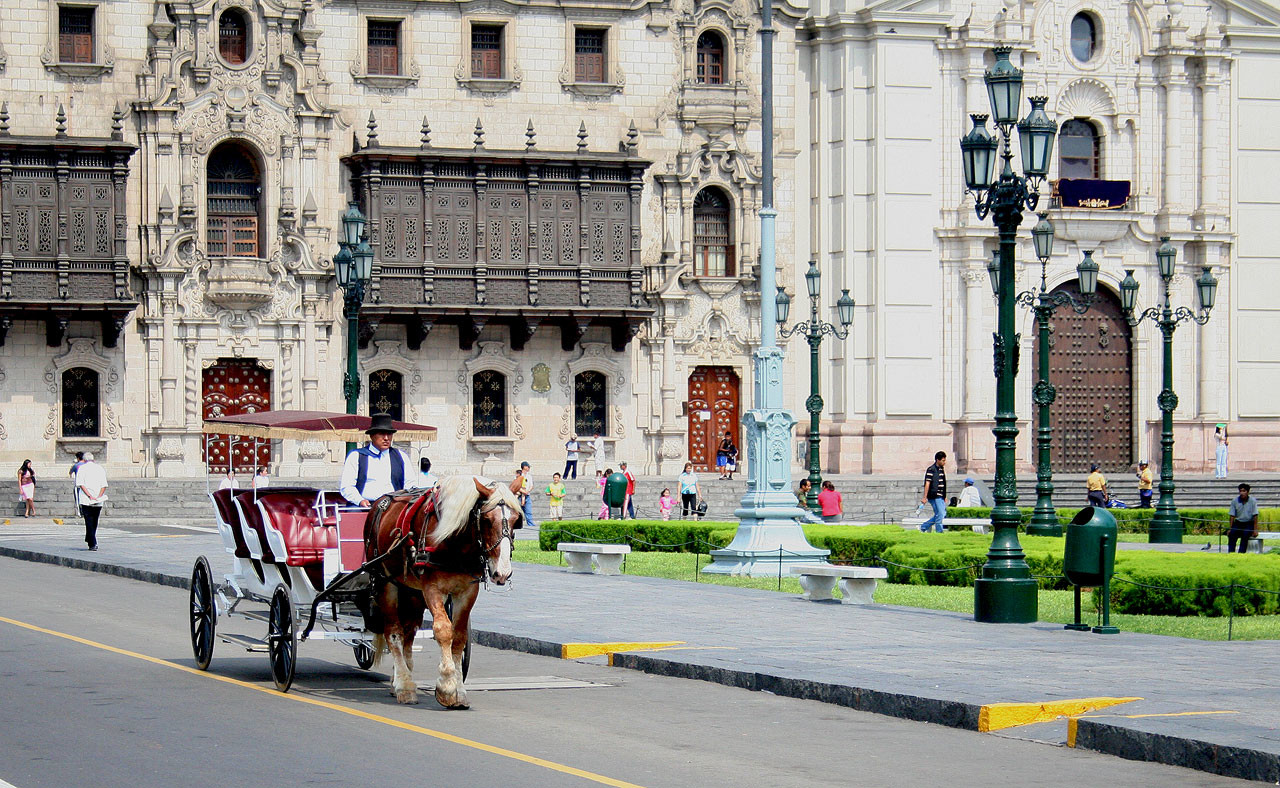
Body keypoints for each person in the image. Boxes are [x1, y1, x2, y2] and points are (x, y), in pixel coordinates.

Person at [338, 413, 411, 507]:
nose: (386, 438)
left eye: (389, 434)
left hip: (393, 507)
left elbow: (410, 484)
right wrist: (359, 500)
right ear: (372, 436)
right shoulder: (356, 456)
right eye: (381, 434)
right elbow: (347, 486)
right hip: (364, 506)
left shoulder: (401, 457)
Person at [74, 452, 108, 551]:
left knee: (88, 521)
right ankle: (90, 539)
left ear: (84, 460)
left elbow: (80, 484)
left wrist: (90, 496)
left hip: (86, 499)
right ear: (93, 460)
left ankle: (92, 542)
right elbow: (104, 485)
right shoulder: (100, 469)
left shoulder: (82, 469)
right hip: (98, 499)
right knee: (95, 521)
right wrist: (98, 496)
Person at [920, 450, 947, 533]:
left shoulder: (941, 469)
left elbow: (943, 482)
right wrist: (924, 497)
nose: (944, 462)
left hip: (940, 496)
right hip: (934, 496)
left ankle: (924, 526)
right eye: (943, 460)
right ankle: (939, 531)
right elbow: (927, 483)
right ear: (937, 460)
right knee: (940, 513)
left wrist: (944, 495)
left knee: (941, 514)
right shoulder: (931, 469)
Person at [1228, 483, 1259, 554]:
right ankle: (1231, 553)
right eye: (1240, 491)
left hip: (1248, 523)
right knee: (1232, 535)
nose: (1242, 493)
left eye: (1244, 491)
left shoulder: (1253, 501)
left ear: (1248, 492)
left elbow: (1255, 515)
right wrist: (1230, 528)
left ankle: (1241, 554)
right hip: (1238, 523)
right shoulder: (1234, 501)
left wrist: (1255, 530)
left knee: (1245, 535)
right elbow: (1232, 516)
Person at [518, 461, 537, 528]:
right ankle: (519, 525)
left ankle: (530, 524)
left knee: (528, 510)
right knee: (519, 511)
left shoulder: (529, 476)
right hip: (519, 496)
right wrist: (523, 491)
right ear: (524, 467)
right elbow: (516, 486)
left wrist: (527, 491)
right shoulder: (519, 475)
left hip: (527, 495)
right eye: (528, 466)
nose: (529, 468)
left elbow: (531, 485)